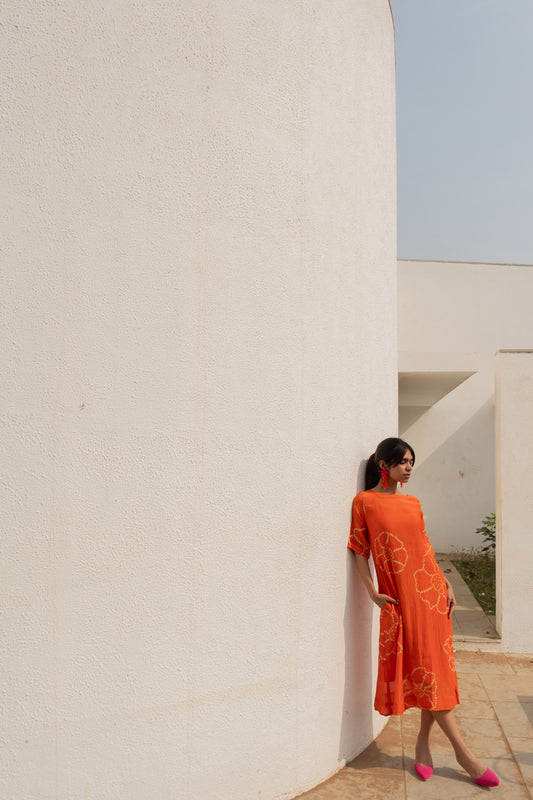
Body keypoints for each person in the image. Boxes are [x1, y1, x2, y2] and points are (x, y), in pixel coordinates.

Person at [348, 437, 499, 788]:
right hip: (401, 600)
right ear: (383, 465)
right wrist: (372, 592)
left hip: (430, 595)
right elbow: (358, 549)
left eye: (411, 462)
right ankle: (463, 753)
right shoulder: (365, 502)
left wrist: (445, 582)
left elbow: (424, 546)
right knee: (426, 673)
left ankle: (426, 744)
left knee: (435, 672)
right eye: (403, 462)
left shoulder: (413, 502)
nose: (409, 468)